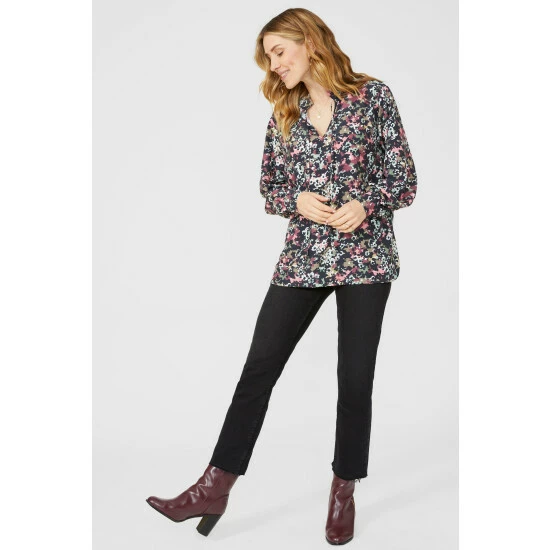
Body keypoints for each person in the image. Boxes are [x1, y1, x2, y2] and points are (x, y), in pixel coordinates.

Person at [146, 7, 417, 545]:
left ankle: (343, 490)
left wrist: (365, 204)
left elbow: (404, 177)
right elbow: (270, 187)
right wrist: (297, 200)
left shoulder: (374, 97)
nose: (273, 65)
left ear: (309, 42)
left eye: (278, 51)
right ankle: (214, 486)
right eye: (268, 57)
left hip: (366, 258)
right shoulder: (285, 113)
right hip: (303, 258)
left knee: (354, 379)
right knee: (259, 368)